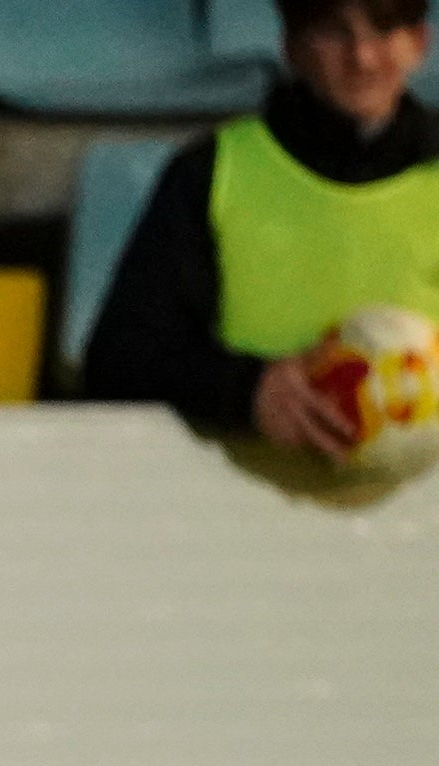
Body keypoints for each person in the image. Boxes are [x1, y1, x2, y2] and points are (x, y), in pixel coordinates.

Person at [85, 0, 439, 461]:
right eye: (334, 32)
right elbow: (119, 361)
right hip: (237, 496)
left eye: (385, 29)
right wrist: (247, 391)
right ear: (291, 47)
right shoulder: (212, 173)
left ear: (420, 43)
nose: (363, 58)